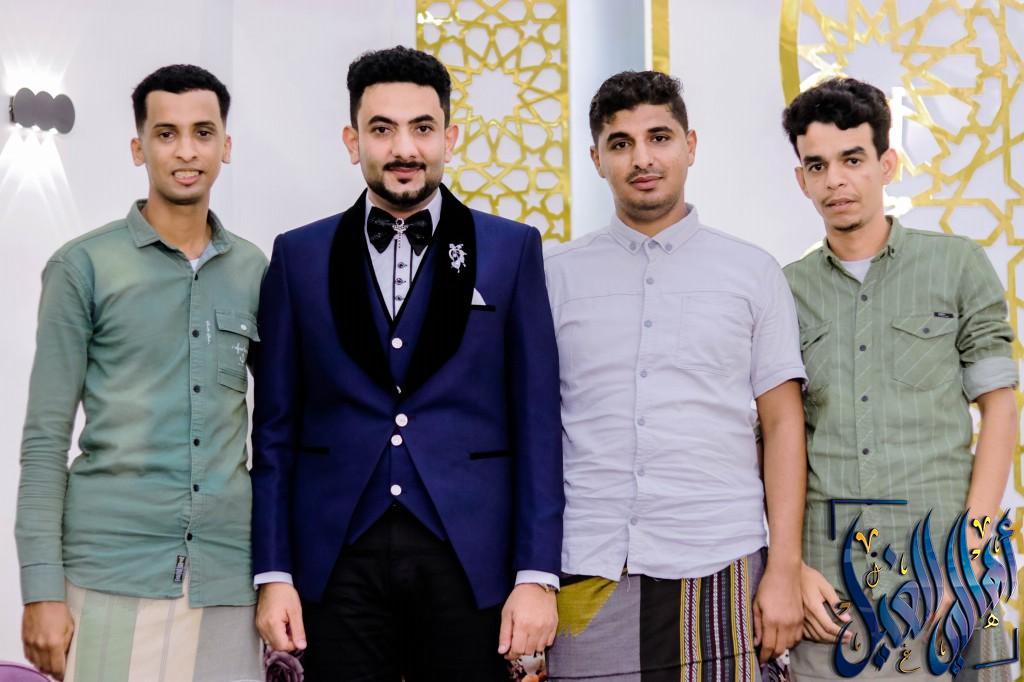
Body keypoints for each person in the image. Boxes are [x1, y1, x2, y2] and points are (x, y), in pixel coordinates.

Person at [251, 45, 563, 680]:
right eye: (382, 129)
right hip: (334, 557)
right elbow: (275, 428)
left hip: (472, 556)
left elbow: (538, 422)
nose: (404, 148)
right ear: (352, 140)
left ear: (450, 137)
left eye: (422, 128)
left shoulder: (511, 249)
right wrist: (274, 571)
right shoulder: (298, 255)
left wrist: (537, 574)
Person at [543, 70, 807, 680]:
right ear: (596, 159)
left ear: (690, 146)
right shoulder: (554, 274)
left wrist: (784, 568)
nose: (642, 158)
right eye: (620, 143)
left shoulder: (752, 272)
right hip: (588, 565)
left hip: (722, 560)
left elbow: (783, 425)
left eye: (659, 137)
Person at [16, 64, 266, 682]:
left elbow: (282, 429)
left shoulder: (255, 270)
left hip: (227, 578)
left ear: (226, 146)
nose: (186, 151)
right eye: (166, 133)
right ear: (139, 147)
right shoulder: (82, 267)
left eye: (203, 132)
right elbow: (45, 440)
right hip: (110, 571)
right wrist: (41, 589)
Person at [781, 77, 1018, 681]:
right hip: (831, 575)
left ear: (887, 164)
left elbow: (1000, 408)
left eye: (852, 159)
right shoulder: (783, 291)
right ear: (801, 180)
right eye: (817, 166)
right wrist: (790, 566)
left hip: (947, 558)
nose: (835, 180)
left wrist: (968, 556)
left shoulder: (956, 265)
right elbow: (774, 437)